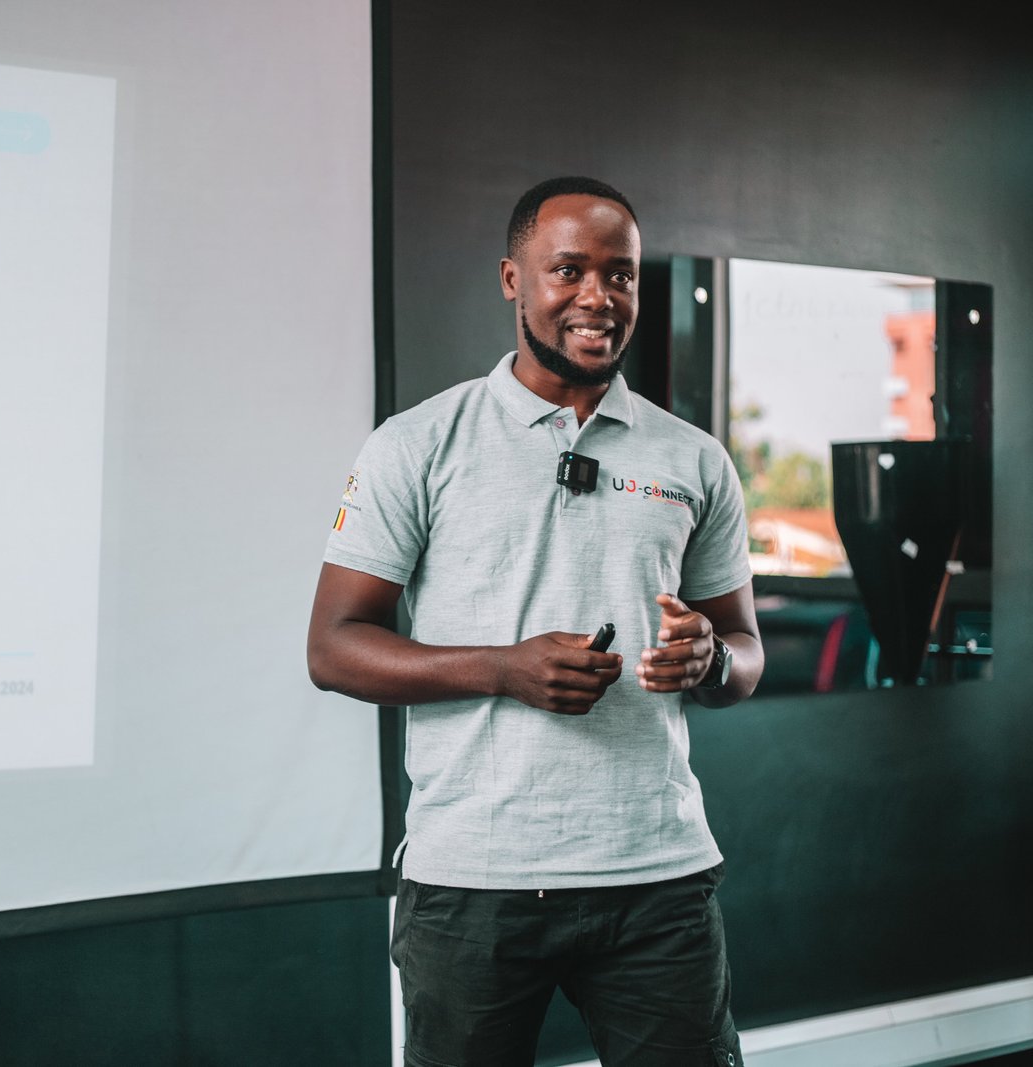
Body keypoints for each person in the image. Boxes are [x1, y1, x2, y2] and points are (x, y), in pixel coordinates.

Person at [307, 176, 764, 1067]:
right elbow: (333, 647)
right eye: (569, 270)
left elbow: (745, 653)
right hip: (473, 881)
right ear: (513, 278)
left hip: (657, 876)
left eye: (621, 275)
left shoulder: (695, 459)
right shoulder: (417, 443)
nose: (599, 296)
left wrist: (711, 659)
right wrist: (502, 668)